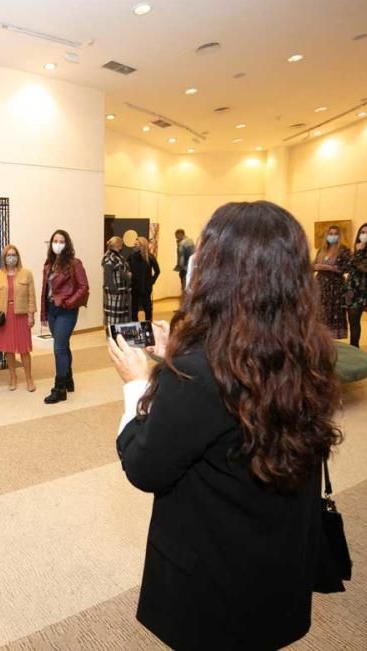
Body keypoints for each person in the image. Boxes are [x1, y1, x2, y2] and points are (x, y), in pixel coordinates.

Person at [107, 201, 342, 651]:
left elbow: (144, 466)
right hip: (278, 567)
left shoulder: (198, 375)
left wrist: (138, 385)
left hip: (214, 582)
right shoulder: (308, 353)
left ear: (215, 271)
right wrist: (177, 349)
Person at [41, 229, 89, 404]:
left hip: (66, 311)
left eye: (61, 241)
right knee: (64, 345)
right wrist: (44, 313)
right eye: (55, 240)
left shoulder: (74, 263)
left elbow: (83, 287)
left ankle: (59, 389)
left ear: (67, 244)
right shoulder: (49, 265)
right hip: (53, 310)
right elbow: (45, 292)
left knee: (58, 348)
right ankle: (68, 379)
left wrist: (69, 303)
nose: (58, 244)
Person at [0, 244, 37, 392]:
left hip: (21, 315)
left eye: (14, 255)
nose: (11, 258)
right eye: (8, 255)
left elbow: (31, 296)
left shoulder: (26, 273)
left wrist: (31, 315)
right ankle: (13, 377)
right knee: (8, 350)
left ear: (18, 257)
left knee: (24, 349)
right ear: (4, 258)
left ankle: (29, 378)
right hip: (4, 316)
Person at [343, 223, 367, 348]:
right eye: (362, 232)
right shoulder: (357, 246)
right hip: (350, 287)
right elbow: (349, 267)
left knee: (355, 320)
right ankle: (353, 347)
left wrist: (359, 252)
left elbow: (366, 268)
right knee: (351, 320)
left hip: (363, 288)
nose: (364, 234)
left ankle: (355, 348)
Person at [313, 225, 351, 339]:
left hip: (335, 286)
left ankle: (333, 341)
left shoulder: (344, 250)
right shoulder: (321, 249)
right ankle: (320, 339)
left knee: (333, 312)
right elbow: (314, 264)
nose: (332, 236)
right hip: (320, 285)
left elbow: (348, 267)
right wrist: (315, 266)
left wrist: (331, 268)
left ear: (339, 236)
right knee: (320, 312)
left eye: (335, 234)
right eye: (330, 234)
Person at [102, 236, 132, 326]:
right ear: (118, 245)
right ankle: (113, 335)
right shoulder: (109, 257)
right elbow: (108, 277)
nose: (122, 246)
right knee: (113, 316)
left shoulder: (116, 255)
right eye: (121, 244)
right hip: (115, 291)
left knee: (119, 315)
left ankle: (119, 334)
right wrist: (128, 275)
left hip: (121, 291)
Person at [129, 235, 161, 321]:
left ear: (142, 245)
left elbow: (157, 271)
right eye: (134, 244)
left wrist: (152, 281)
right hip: (134, 286)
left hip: (145, 287)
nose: (134, 246)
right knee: (134, 309)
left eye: (136, 245)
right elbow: (126, 269)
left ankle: (148, 325)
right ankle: (135, 326)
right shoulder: (131, 256)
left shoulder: (149, 257)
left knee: (147, 308)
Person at [174, 229, 195, 295]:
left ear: (180, 234)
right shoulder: (191, 241)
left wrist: (179, 268)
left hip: (184, 268)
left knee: (184, 288)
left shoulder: (181, 244)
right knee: (191, 287)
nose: (176, 238)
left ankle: (184, 303)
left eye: (176, 236)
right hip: (192, 267)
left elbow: (181, 259)